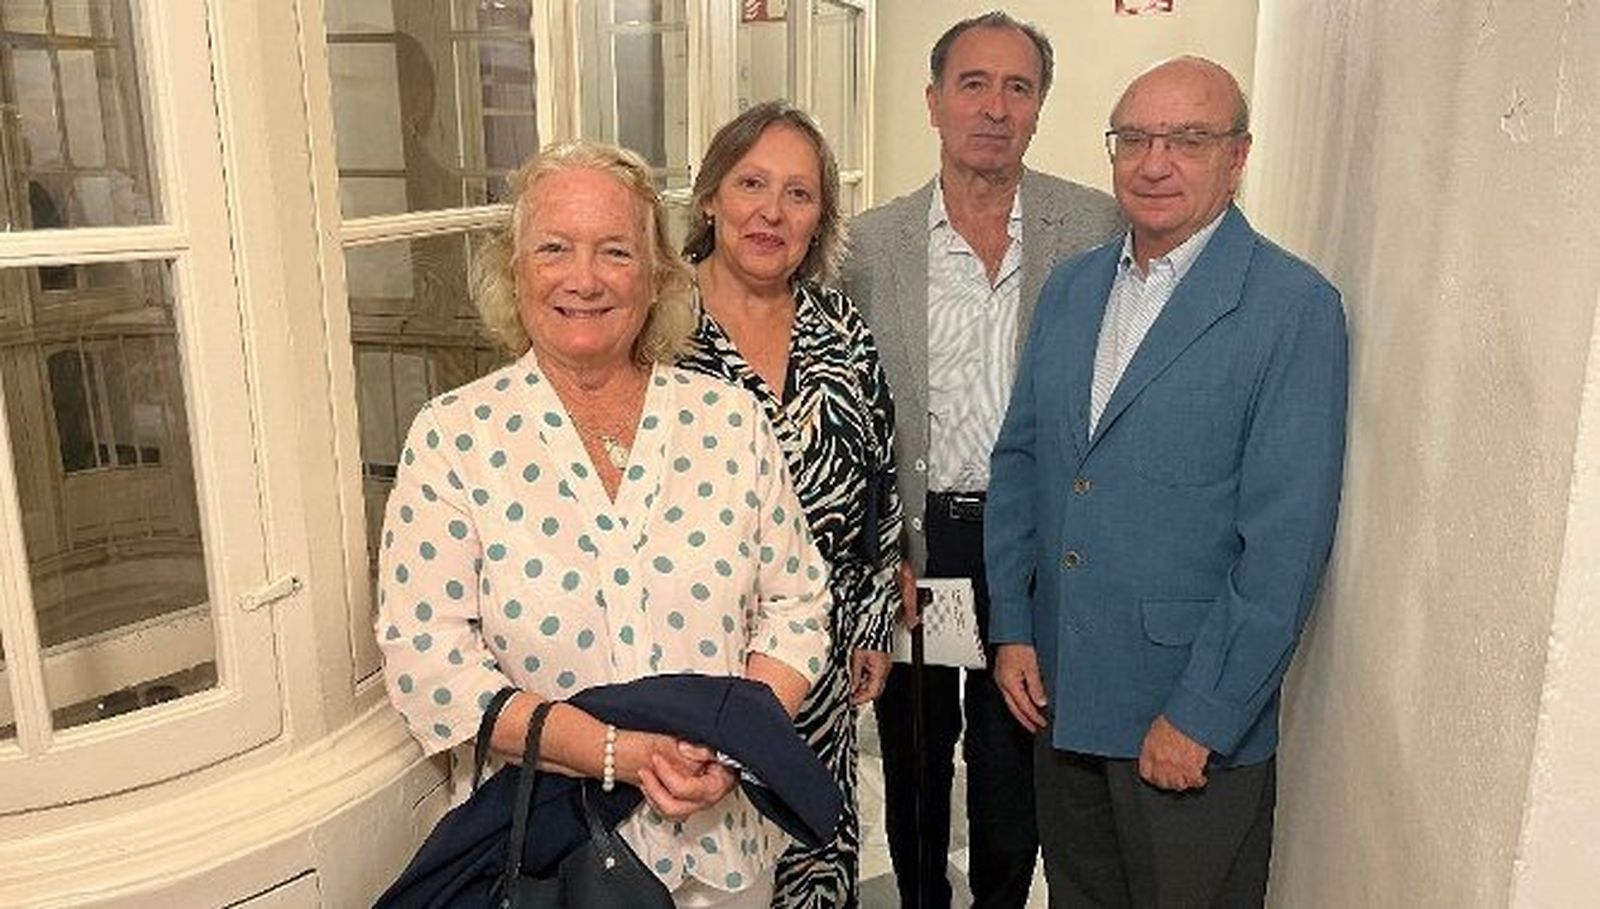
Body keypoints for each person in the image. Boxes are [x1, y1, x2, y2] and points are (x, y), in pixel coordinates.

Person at [374, 139, 834, 909]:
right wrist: (617, 753)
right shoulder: (455, 436)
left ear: (655, 276)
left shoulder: (728, 419)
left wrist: (735, 743)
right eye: (554, 248)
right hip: (550, 859)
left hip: (723, 853)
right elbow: (430, 661)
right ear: (514, 270)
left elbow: (799, 603)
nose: (583, 279)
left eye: (615, 251)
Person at [986, 56, 1349, 906]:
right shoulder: (1072, 288)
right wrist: (1014, 626)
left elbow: (1285, 547)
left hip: (1185, 725)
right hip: (1063, 700)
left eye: (1188, 140)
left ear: (1238, 155)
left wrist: (1203, 713)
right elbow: (1023, 462)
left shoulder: (1292, 310)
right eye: (1134, 139)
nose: (1155, 163)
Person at [841, 12, 1122, 908]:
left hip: (1033, 543)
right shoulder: (869, 247)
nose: (994, 108)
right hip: (920, 545)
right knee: (916, 753)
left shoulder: (1097, 227)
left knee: (1014, 757)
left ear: (1039, 106)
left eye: (1017, 87)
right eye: (973, 84)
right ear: (933, 102)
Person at [677, 100, 901, 909]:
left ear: (820, 218)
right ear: (711, 198)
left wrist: (872, 624)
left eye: (798, 193)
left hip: (820, 669)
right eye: (752, 184)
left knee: (811, 864)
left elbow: (879, 481)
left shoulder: (839, 326)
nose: (772, 212)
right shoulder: (654, 328)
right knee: (708, 874)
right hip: (697, 672)